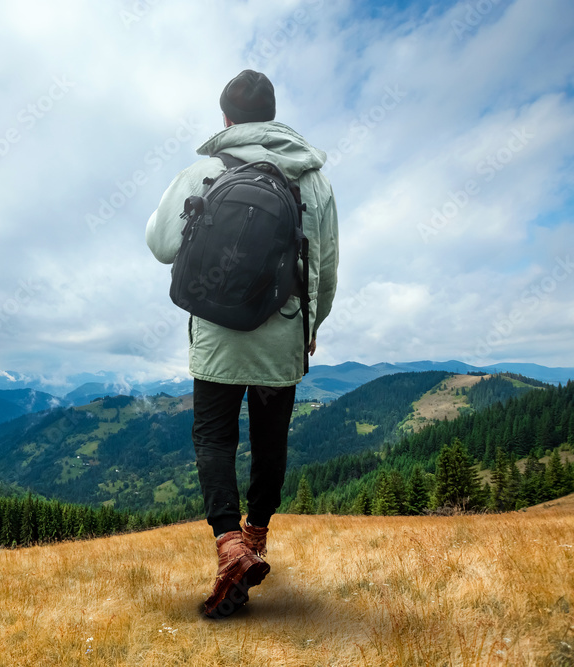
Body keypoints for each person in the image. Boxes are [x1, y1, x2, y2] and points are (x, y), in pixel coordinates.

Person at [145, 70, 338, 618]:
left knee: (214, 436)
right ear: (273, 114)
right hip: (282, 332)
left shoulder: (202, 172)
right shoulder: (313, 181)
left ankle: (228, 543)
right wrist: (311, 326)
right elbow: (324, 266)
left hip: (216, 335)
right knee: (270, 439)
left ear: (225, 118)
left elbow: (161, 246)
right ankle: (255, 537)